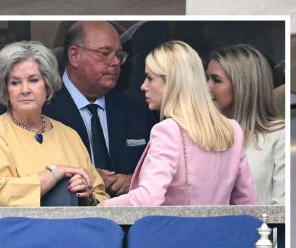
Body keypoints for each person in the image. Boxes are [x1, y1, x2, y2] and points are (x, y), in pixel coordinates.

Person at [102, 40, 256, 206]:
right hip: (222, 231)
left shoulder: (167, 130)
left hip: (176, 231)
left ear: (172, 83)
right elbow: (247, 202)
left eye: (149, 78)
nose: (143, 86)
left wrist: (102, 208)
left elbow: (148, 198)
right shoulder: (232, 129)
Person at [0, 41, 108, 207]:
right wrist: (56, 172)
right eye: (15, 82)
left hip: (75, 229)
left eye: (33, 80)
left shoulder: (69, 135)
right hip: (21, 230)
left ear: (47, 86)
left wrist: (86, 195)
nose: (25, 89)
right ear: (5, 89)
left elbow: (101, 196)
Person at [44, 21, 154, 197]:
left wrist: (135, 180)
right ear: (74, 55)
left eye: (119, 55)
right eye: (105, 53)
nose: (116, 62)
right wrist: (90, 177)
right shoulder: (42, 109)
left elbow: (162, 172)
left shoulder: (137, 111)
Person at [207, 44, 286, 205]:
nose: (207, 87)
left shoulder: (279, 135)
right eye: (207, 79)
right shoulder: (201, 136)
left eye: (216, 80)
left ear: (242, 85)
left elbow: (281, 209)